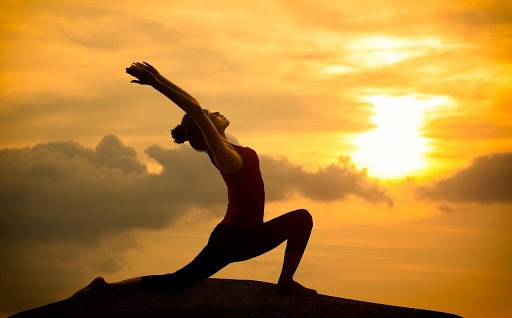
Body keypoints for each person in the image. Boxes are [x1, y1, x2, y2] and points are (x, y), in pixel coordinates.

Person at [69, 62, 316, 299]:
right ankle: (285, 283)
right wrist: (156, 83)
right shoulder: (224, 155)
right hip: (240, 236)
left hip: (231, 234)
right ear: (205, 126)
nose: (215, 112)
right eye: (210, 115)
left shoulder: (226, 150)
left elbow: (197, 111)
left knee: (177, 282)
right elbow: (195, 110)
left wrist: (160, 77)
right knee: (301, 219)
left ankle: (106, 288)